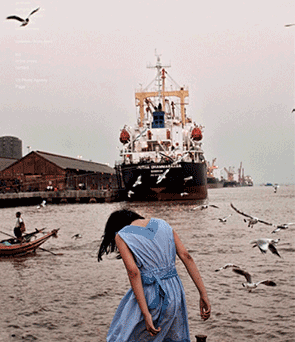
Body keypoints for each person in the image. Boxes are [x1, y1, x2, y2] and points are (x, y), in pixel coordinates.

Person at [97, 209, 211, 341]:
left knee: (124, 334)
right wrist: (203, 294)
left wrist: (146, 314)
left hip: (150, 295)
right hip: (175, 292)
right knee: (170, 336)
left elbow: (133, 272)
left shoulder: (122, 235)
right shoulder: (164, 224)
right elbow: (186, 257)